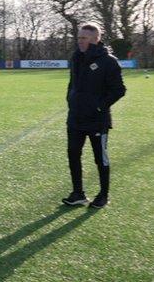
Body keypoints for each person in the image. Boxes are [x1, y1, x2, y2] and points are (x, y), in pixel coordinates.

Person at [62, 23, 126, 209]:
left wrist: (99, 107)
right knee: (73, 155)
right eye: (79, 37)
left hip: (97, 121)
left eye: (84, 38)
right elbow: (72, 83)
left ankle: (103, 195)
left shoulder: (109, 61)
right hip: (75, 118)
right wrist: (71, 99)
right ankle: (78, 193)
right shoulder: (76, 57)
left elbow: (119, 90)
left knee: (100, 158)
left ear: (95, 39)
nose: (80, 41)